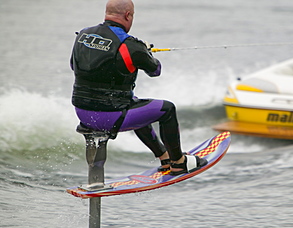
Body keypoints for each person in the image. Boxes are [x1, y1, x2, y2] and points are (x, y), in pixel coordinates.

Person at [70, 0, 206, 175]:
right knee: (167, 109)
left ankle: (165, 158)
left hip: (82, 112)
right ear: (128, 15)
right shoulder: (131, 45)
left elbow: (75, 66)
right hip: (109, 117)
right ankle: (179, 162)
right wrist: (145, 52)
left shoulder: (83, 35)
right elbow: (155, 70)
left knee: (134, 103)